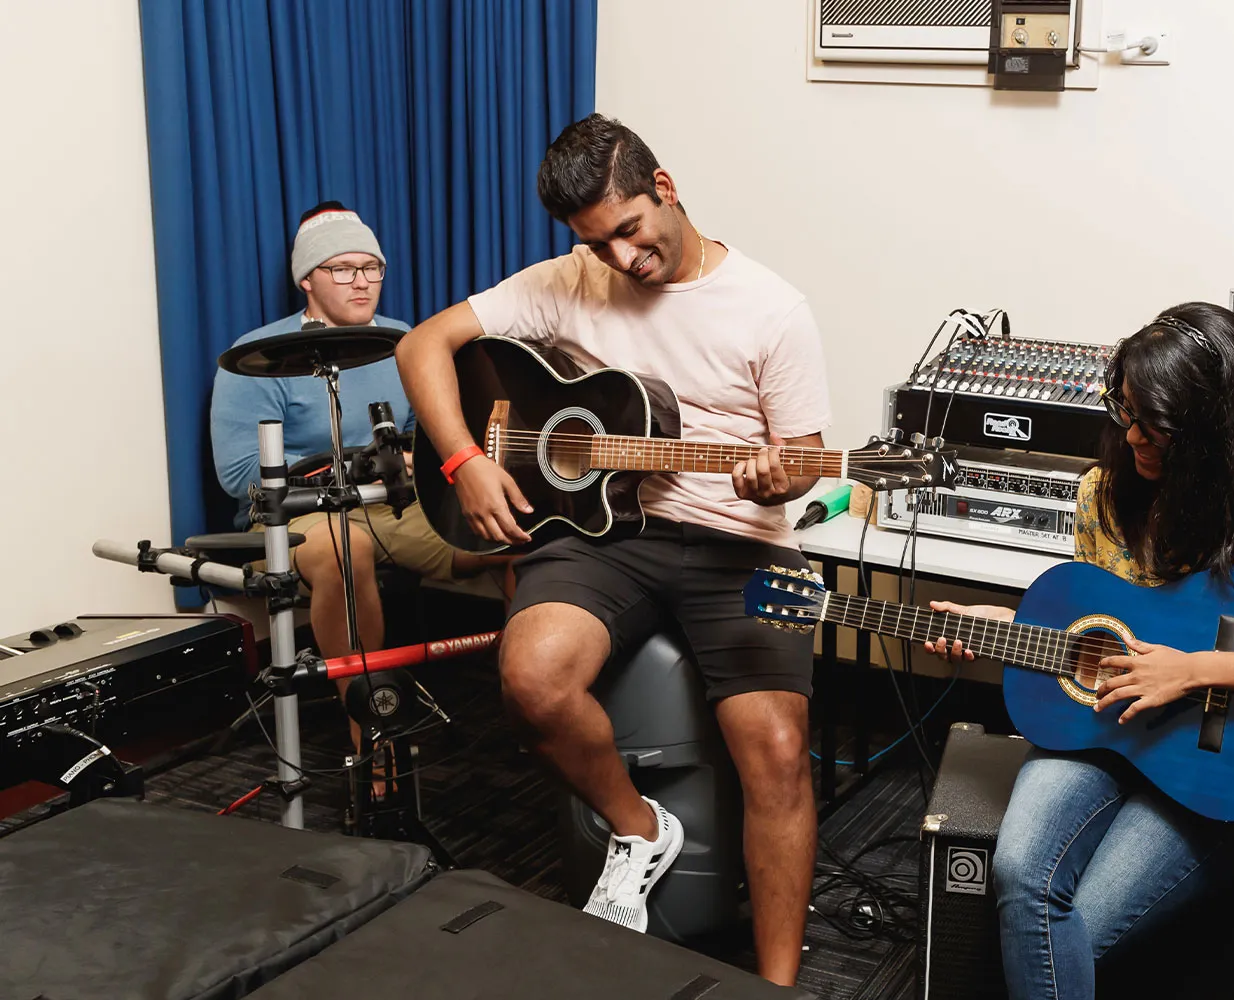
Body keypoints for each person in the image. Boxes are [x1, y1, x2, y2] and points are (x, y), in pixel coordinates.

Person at [395, 114, 829, 984]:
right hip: (606, 536)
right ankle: (639, 831)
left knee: (776, 749)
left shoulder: (772, 308)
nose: (621, 260)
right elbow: (421, 345)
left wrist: (776, 481)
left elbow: (808, 459)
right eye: (598, 244)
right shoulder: (570, 280)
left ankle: (778, 984)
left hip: (736, 543)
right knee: (531, 679)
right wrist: (465, 461)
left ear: (664, 189)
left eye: (628, 231)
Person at [924, 303, 1234, 1000]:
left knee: (1074, 926)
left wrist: (1195, 670)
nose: (1136, 435)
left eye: (1161, 425)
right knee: (1021, 876)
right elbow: (1102, 623)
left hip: (1216, 765)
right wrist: (1002, 624)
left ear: (1215, 428)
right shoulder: (1102, 496)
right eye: (1128, 411)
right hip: (1107, 733)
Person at [211, 202, 512, 778]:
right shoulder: (255, 357)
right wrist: (355, 464)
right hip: (296, 514)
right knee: (346, 552)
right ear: (307, 279)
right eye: (343, 269)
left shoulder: (404, 340)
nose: (362, 282)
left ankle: (533, 708)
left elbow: (432, 437)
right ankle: (373, 743)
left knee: (513, 531)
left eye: (372, 268)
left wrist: (416, 457)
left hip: (394, 504)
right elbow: (241, 474)